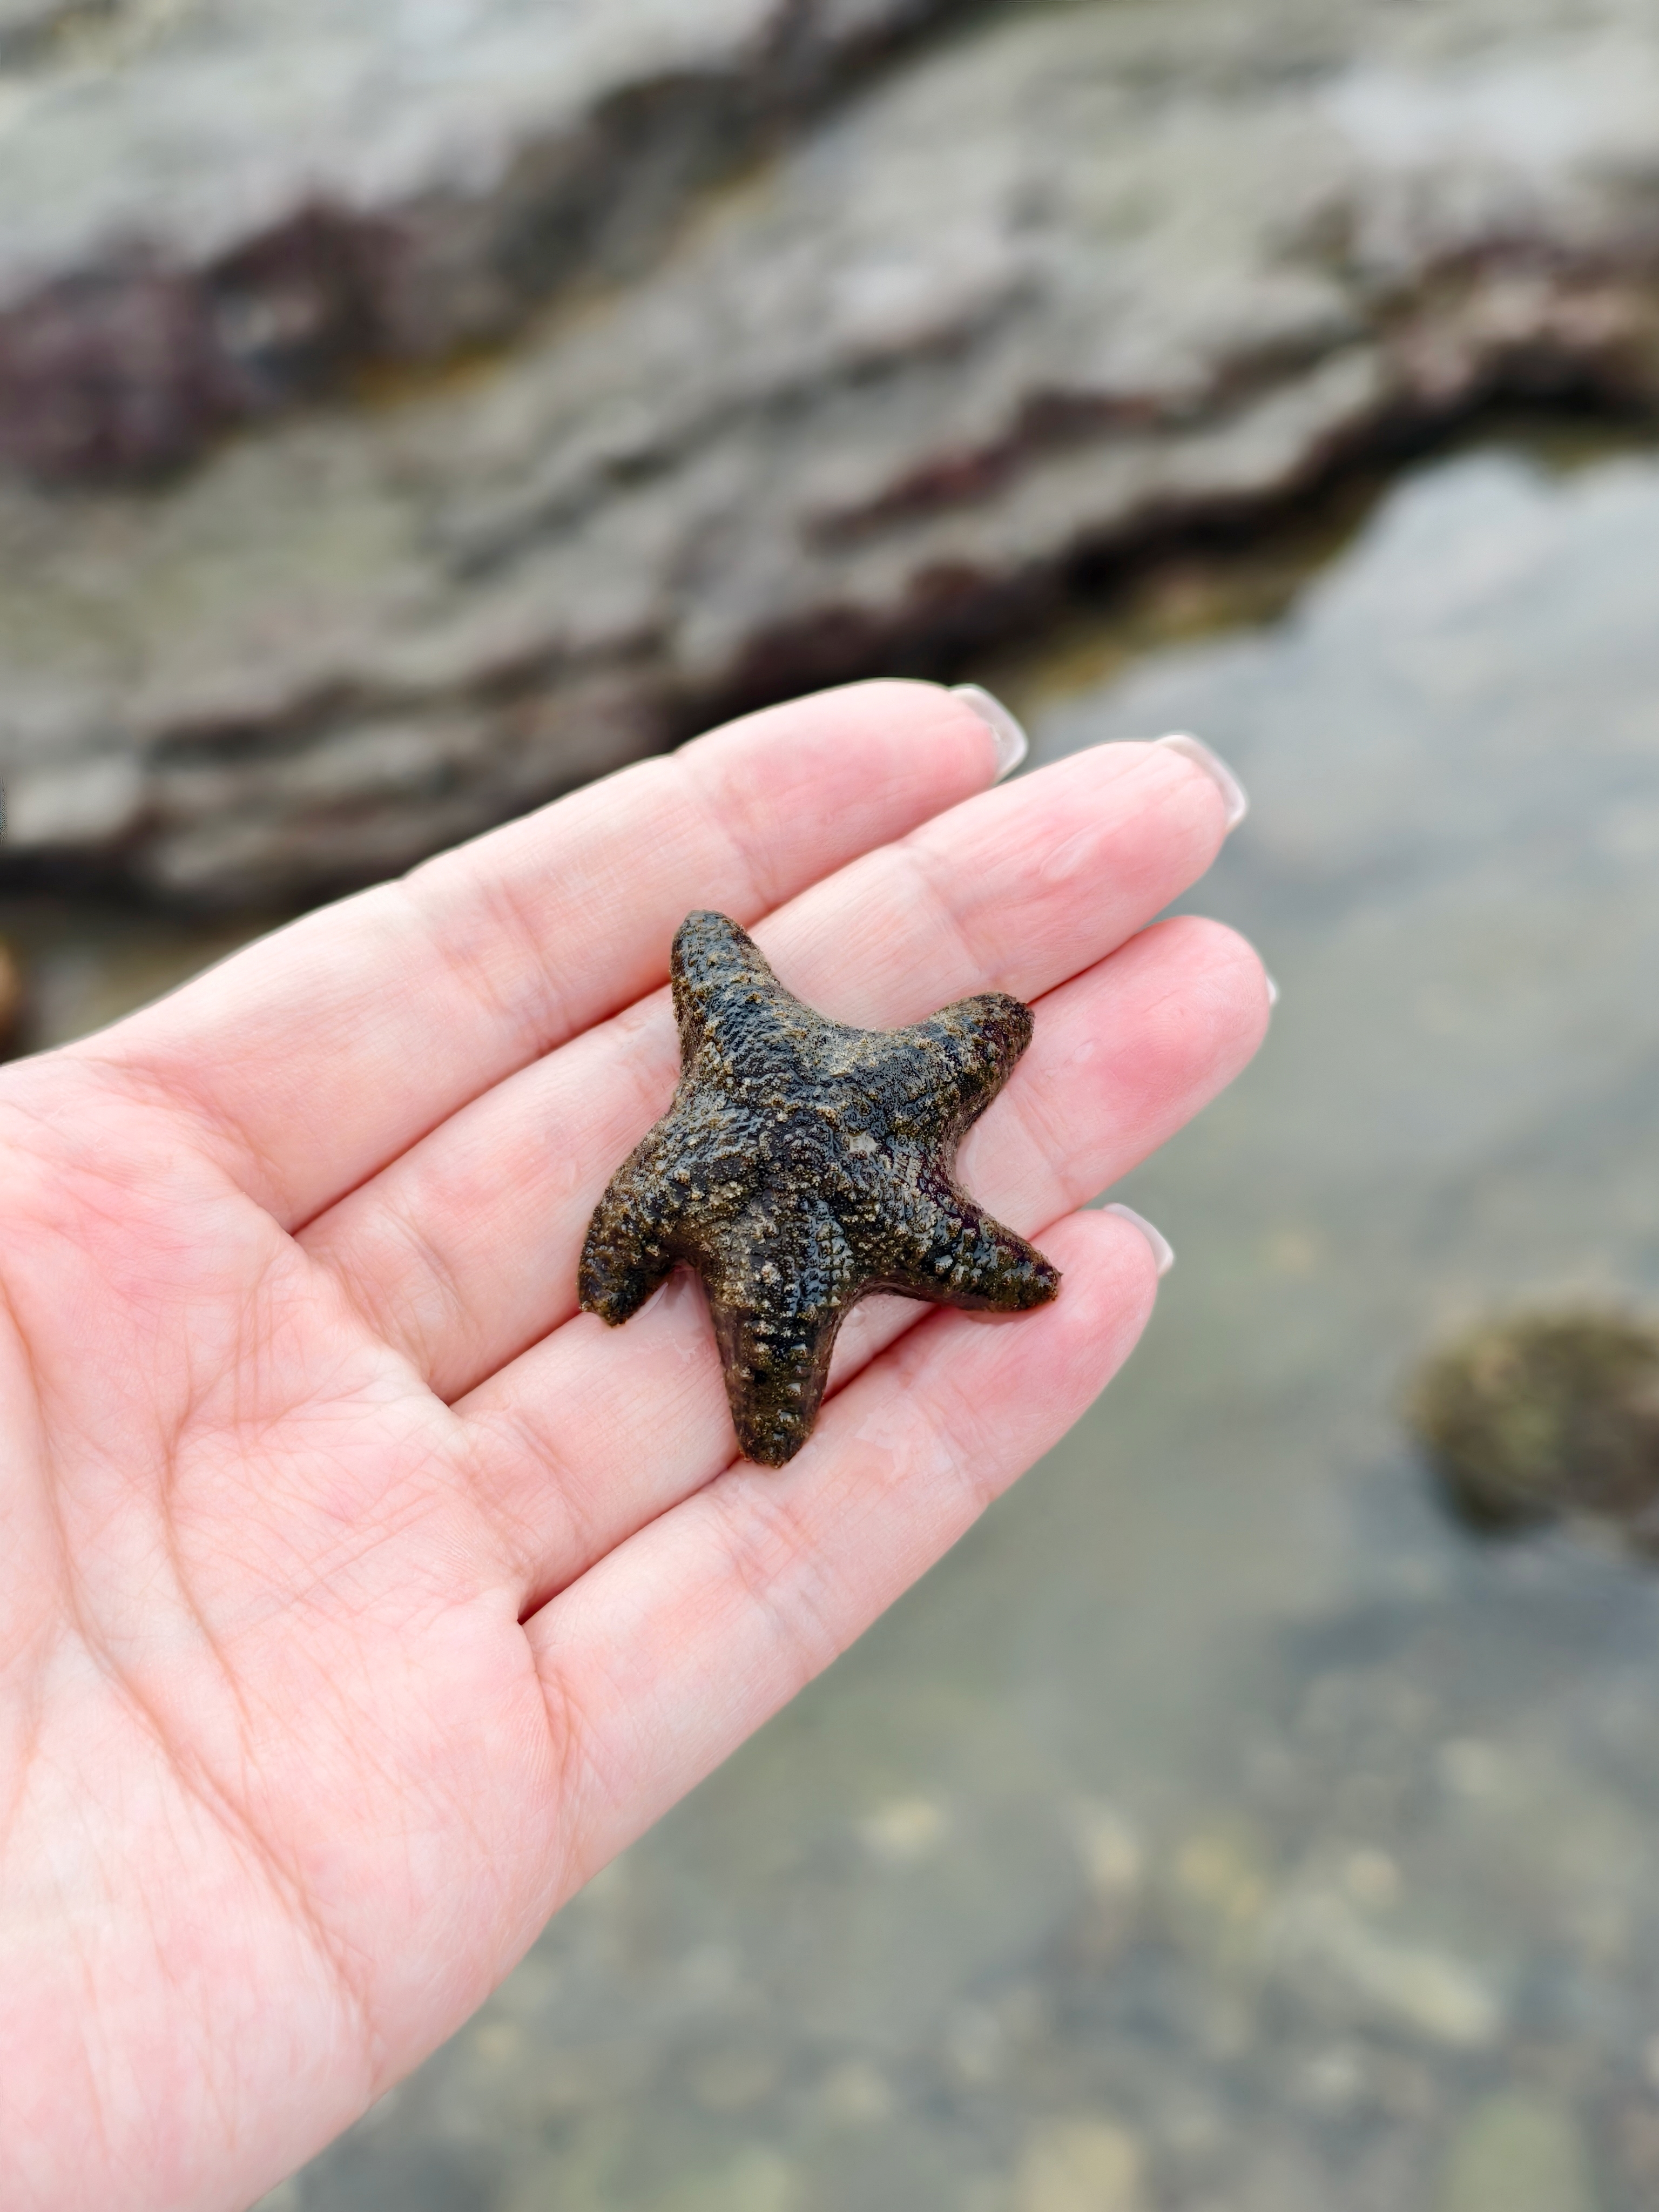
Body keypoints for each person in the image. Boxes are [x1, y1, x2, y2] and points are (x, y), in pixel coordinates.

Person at [0, 680, 1267, 2212]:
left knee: (873, 1326)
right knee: (845, 1350)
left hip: (775, 1157)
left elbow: (805, 1030)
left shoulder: (780, 1073)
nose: (981, 1041)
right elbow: (797, 1086)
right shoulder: (838, 1099)